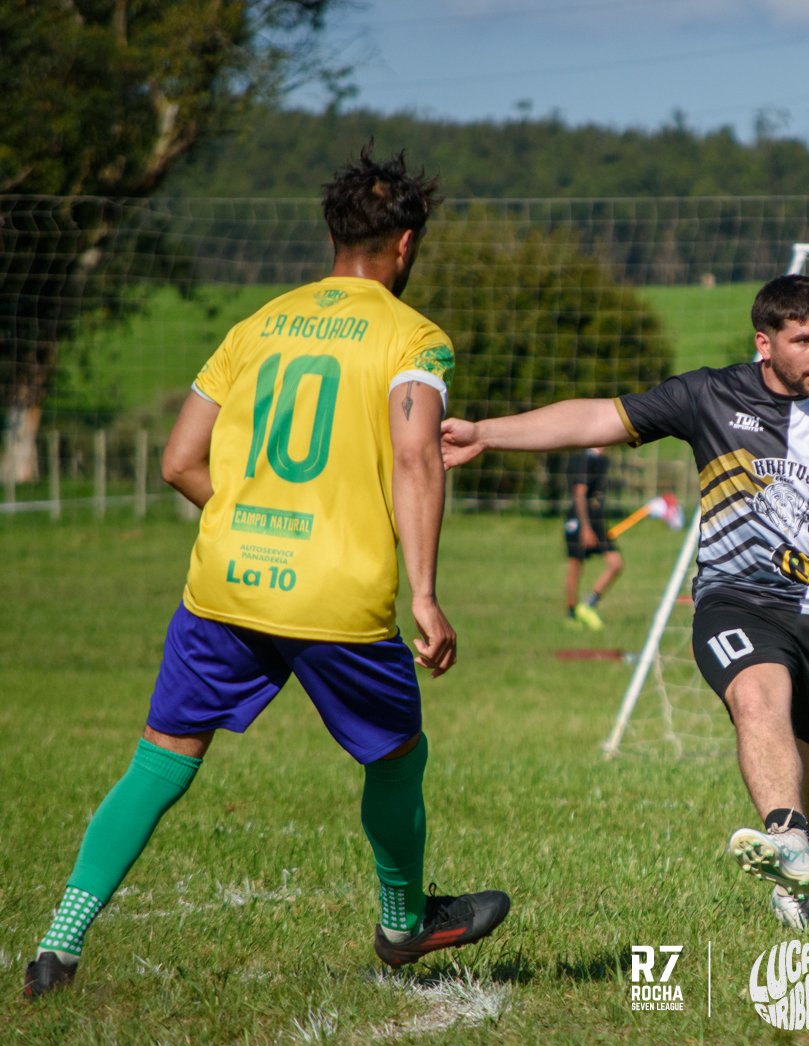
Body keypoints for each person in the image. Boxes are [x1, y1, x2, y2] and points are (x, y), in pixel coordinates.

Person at [22, 149, 510, 1000]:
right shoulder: (414, 338)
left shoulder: (255, 327)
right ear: (404, 245)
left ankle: (57, 946)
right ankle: (403, 925)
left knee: (161, 759)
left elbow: (179, 461)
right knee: (397, 754)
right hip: (336, 594)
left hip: (225, 583)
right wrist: (425, 593)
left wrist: (249, 521)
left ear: (332, 235)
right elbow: (415, 456)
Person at [441, 274, 809, 932]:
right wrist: (487, 432)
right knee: (757, 697)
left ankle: (797, 885)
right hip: (736, 598)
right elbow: (599, 417)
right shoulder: (709, 395)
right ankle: (784, 833)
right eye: (804, 341)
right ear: (764, 343)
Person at [564, 447, 624, 629]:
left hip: (597, 520)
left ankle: (588, 605)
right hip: (579, 519)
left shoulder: (602, 460)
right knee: (575, 567)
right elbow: (579, 493)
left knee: (616, 563)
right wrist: (585, 527)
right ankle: (571, 616)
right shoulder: (586, 459)